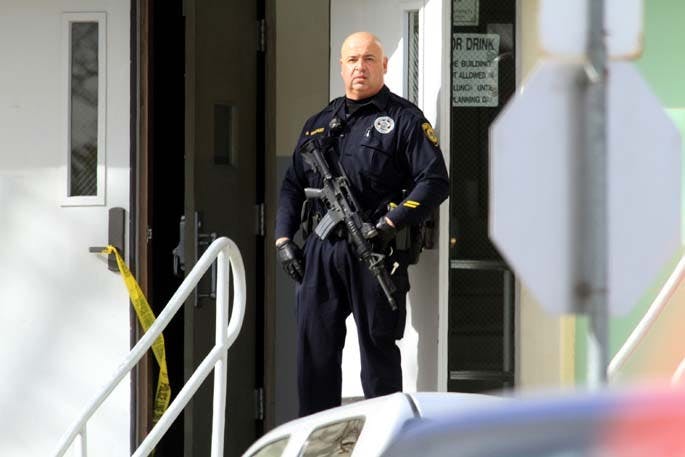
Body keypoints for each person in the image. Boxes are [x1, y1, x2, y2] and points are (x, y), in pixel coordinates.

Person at [275, 31, 449, 417]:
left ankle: (386, 439)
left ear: (384, 66)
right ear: (341, 67)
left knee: (378, 355)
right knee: (314, 356)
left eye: (369, 59)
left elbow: (435, 180)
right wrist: (284, 239)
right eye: (352, 59)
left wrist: (390, 222)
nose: (360, 67)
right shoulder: (319, 123)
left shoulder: (403, 119)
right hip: (321, 251)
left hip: (375, 248)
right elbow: (292, 185)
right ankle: (316, 439)